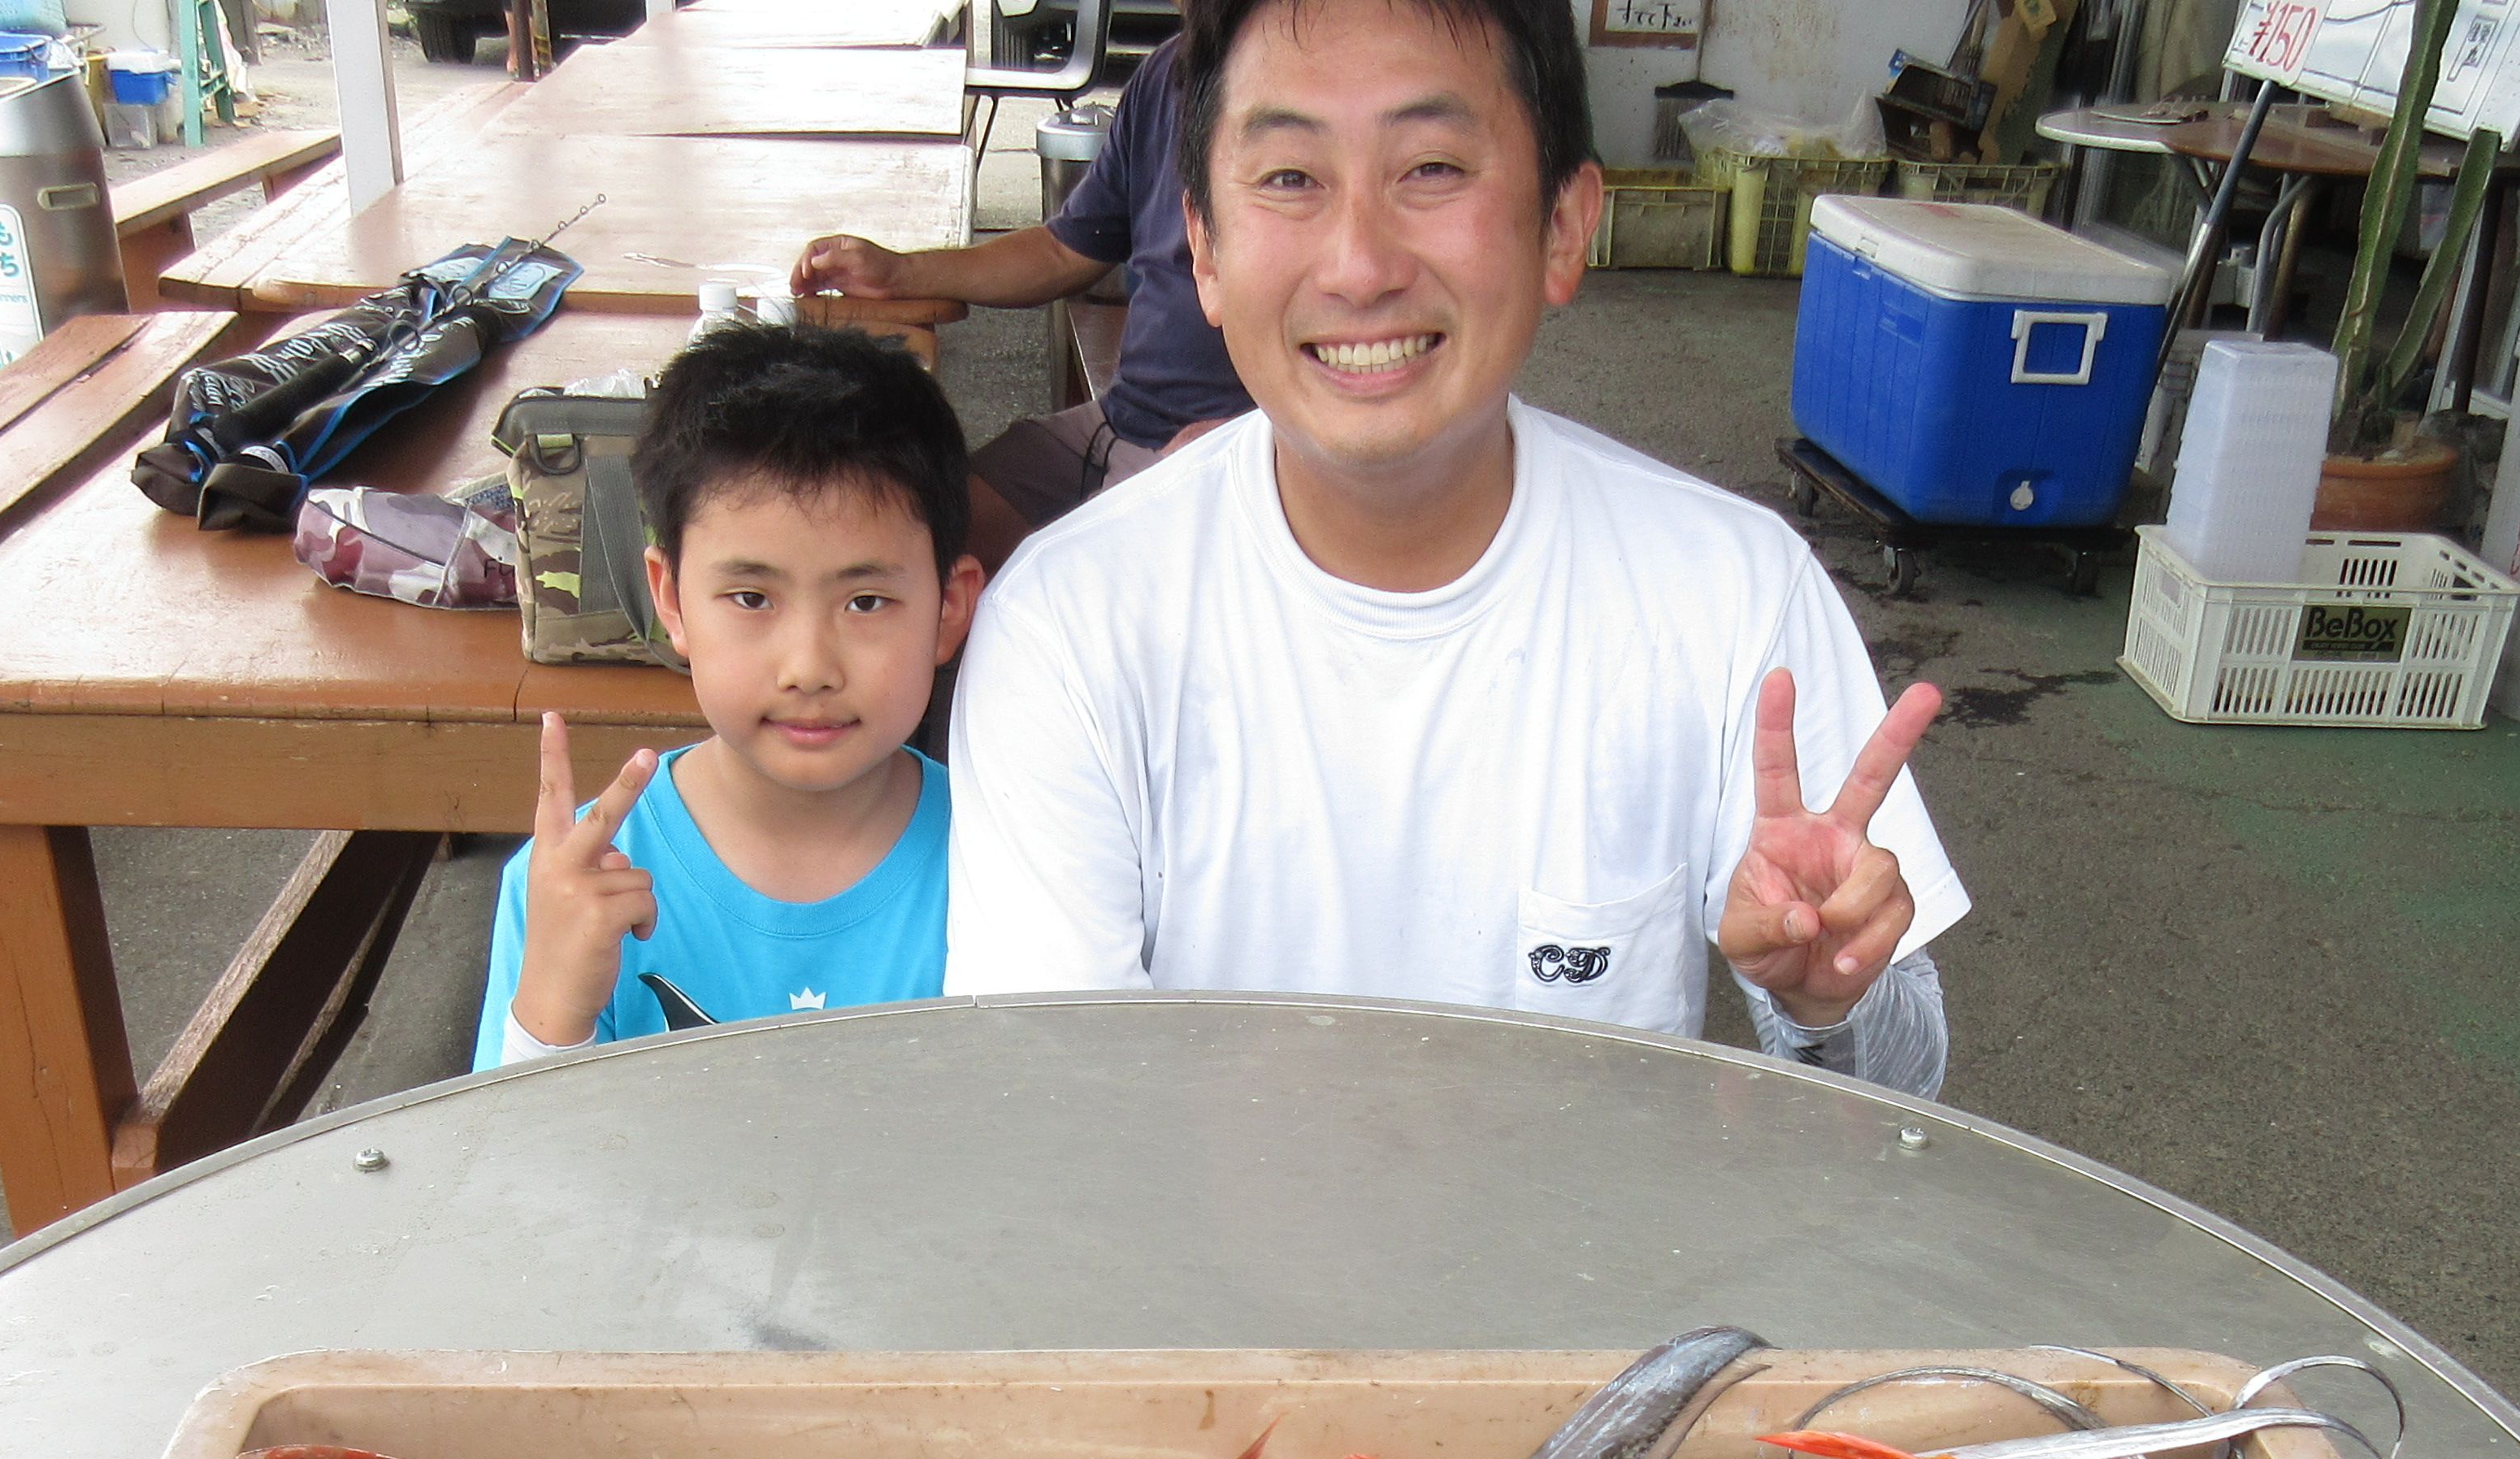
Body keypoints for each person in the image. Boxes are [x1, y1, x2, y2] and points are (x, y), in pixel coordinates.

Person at [939, 0, 1964, 1092]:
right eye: (1289, 177)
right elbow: (1048, 1117)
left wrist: (1829, 997)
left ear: (1563, 226)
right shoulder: (1068, 629)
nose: (1360, 265)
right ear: (1206, 249)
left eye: (1430, 169)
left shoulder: (1731, 594)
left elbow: (1897, 1098)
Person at [475, 322, 982, 1070]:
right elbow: (503, 1142)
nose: (808, 668)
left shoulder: (1002, 854)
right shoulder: (570, 882)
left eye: (866, 602)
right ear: (670, 600)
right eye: (751, 598)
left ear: (949, 608)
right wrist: (553, 1011)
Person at [796, 33, 1249, 562]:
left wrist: (1255, 441)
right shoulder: (1166, 73)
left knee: (1029, 587)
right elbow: (1062, 252)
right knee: (907, 539)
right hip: (1120, 420)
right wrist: (899, 273)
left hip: (1221, 452)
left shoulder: (1296, 88)